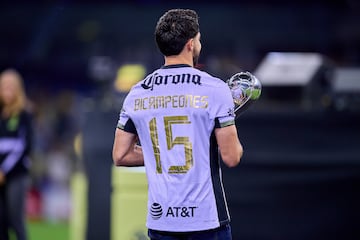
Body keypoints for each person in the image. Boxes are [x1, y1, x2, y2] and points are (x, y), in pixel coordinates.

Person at [112, 9, 243, 240]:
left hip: (162, 220)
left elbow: (120, 156)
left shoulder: (137, 93)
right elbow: (232, 156)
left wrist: (160, 152)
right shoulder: (214, 89)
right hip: (207, 220)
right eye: (199, 40)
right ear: (191, 44)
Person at [0, 69, 33, 240]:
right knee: (1, 222)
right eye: (4, 87)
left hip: (16, 175)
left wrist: (4, 170)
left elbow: (24, 147)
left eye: (11, 87)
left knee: (16, 220)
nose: (7, 92)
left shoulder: (24, 114)